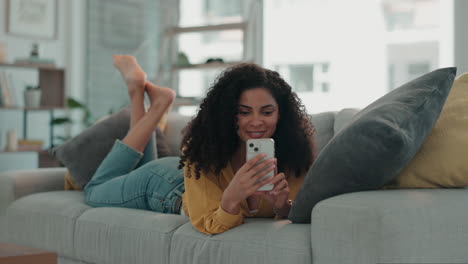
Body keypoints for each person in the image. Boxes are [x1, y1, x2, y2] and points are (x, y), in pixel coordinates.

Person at [84, 55, 316, 235]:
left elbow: (296, 212)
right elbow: (208, 223)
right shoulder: (206, 146)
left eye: (267, 112)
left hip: (185, 177)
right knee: (94, 190)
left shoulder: (295, 155)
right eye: (243, 112)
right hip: (165, 187)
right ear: (227, 114)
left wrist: (282, 206)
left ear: (281, 114)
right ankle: (151, 103)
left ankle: (141, 93)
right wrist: (230, 198)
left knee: (134, 168)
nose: (256, 122)